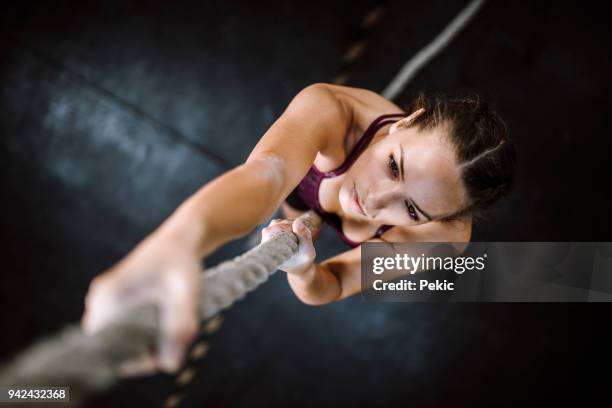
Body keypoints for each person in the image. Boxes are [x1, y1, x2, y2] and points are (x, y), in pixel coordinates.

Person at [81, 83, 517, 375]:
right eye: (393, 165)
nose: (376, 201)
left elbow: (332, 284)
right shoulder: (334, 110)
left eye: (412, 209)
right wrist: (178, 243)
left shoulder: (440, 240)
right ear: (404, 122)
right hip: (301, 190)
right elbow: (265, 177)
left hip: (324, 216)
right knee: (284, 198)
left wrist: (304, 270)